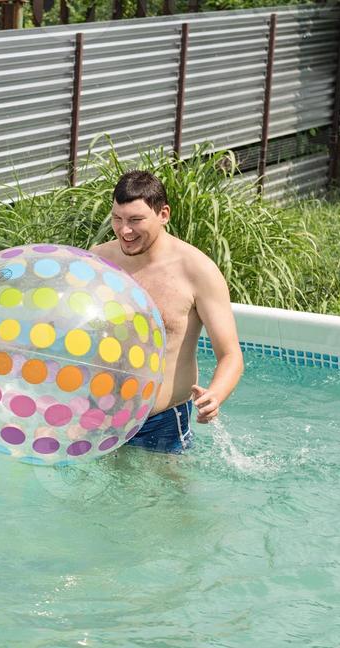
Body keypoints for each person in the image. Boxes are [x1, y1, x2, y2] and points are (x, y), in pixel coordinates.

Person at [91, 170, 244, 454]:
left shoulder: (197, 271)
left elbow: (231, 354)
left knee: (167, 499)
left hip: (162, 422)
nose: (124, 230)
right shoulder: (98, 259)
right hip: (101, 413)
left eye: (136, 220)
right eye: (117, 219)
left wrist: (215, 395)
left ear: (163, 214)